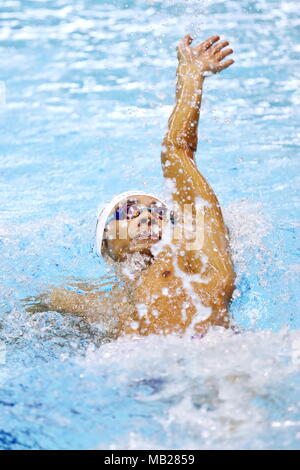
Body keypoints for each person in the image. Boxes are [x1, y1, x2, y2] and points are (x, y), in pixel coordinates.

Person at [25, 35, 235, 338]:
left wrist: (191, 76)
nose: (148, 217)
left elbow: (178, 150)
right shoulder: (102, 307)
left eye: (160, 212)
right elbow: (41, 303)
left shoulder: (199, 262)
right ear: (105, 245)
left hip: (220, 367)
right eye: (128, 211)